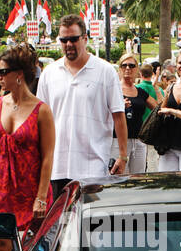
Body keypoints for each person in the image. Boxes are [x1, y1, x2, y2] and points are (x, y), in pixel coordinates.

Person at [0, 43, 55, 251]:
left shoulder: (41, 110)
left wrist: (41, 197)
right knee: (0, 245)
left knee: (33, 248)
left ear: (19, 75)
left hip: (30, 188)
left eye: (3, 72)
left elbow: (47, 156)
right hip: (0, 188)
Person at [37, 15, 126, 192]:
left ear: (85, 38)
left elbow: (118, 115)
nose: (68, 44)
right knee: (60, 220)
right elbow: (40, 120)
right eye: (64, 40)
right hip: (56, 168)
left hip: (93, 167)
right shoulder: (49, 73)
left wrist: (123, 156)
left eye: (73, 39)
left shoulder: (105, 71)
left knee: (91, 219)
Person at [119, 53, 157, 174]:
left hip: (139, 141)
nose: (128, 68)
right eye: (124, 65)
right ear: (120, 69)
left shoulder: (140, 92)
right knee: (118, 177)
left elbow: (157, 109)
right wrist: (119, 106)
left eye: (131, 65)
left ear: (137, 70)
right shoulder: (113, 89)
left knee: (138, 176)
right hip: (118, 141)